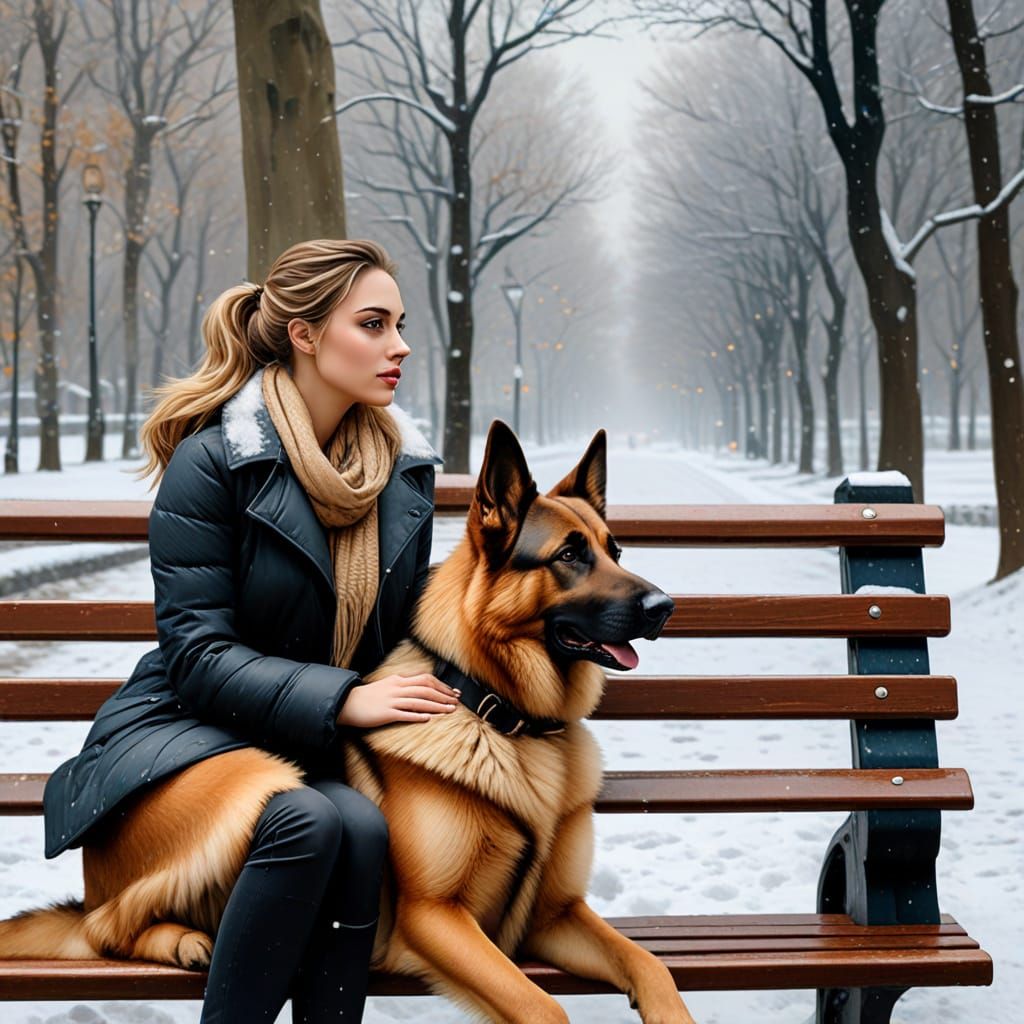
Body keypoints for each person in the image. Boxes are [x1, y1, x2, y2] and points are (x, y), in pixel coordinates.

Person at [41, 238, 461, 1023]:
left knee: (362, 827)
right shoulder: (213, 463)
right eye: (372, 324)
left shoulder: (401, 472)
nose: (399, 345)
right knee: (310, 819)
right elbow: (196, 656)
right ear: (304, 335)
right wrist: (345, 700)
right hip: (184, 742)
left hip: (301, 752)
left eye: (400, 324)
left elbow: (408, 634)